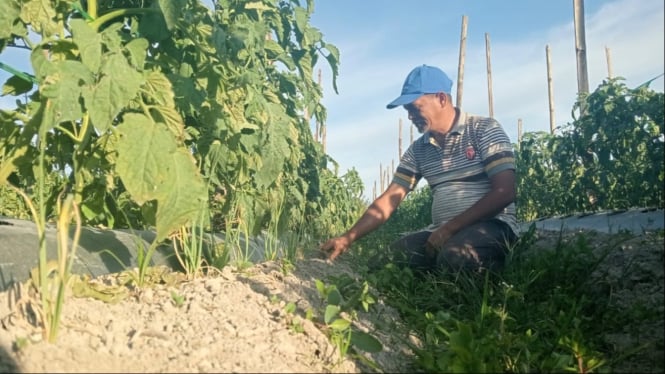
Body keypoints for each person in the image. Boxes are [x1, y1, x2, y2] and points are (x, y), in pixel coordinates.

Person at [320, 64, 519, 273]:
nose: (410, 117)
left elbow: (504, 192)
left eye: (415, 108)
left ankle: (491, 276)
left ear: (441, 99)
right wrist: (348, 238)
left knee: (455, 256)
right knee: (385, 261)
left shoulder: (483, 129)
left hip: (493, 225)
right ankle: (439, 270)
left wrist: (450, 228)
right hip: (443, 231)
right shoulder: (419, 149)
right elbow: (390, 199)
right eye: (407, 111)